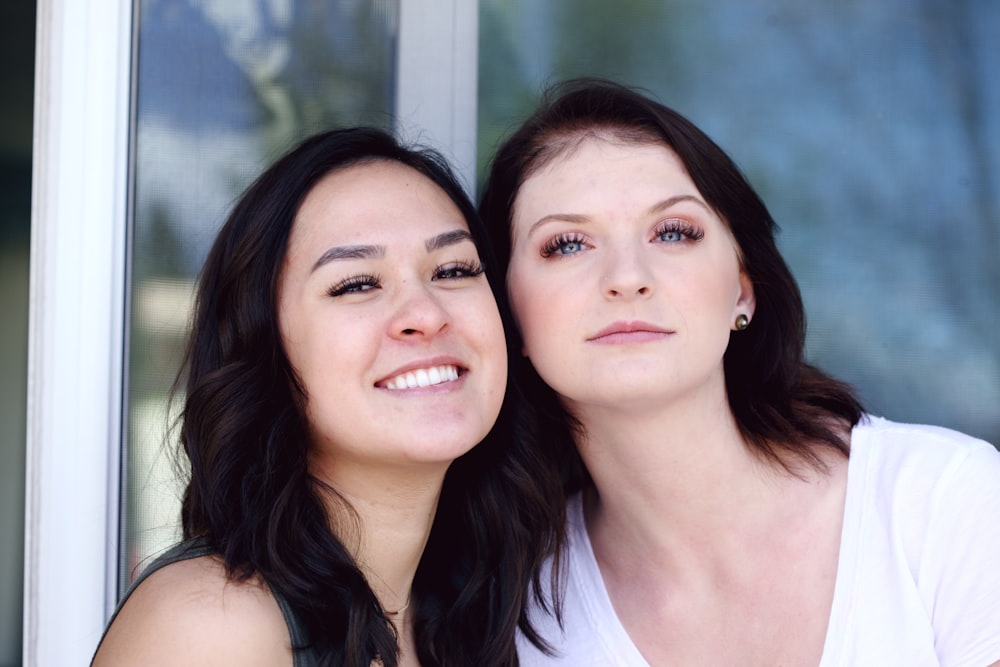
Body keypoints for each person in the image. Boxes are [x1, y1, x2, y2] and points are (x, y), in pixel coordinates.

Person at [479, 79, 1000, 666]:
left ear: (743, 291)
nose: (626, 276)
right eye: (568, 244)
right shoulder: (518, 619)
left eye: (673, 232)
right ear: (508, 313)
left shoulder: (944, 505)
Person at [92, 127, 561, 667]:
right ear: (265, 346)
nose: (427, 314)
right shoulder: (213, 624)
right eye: (357, 283)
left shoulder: (462, 619)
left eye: (453, 270)